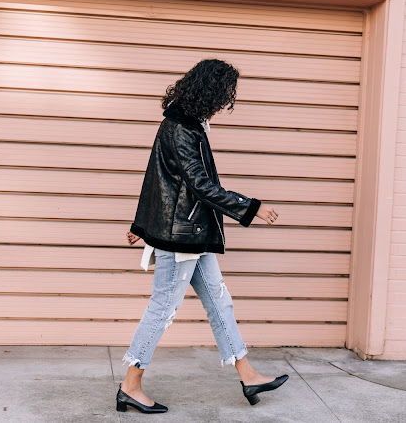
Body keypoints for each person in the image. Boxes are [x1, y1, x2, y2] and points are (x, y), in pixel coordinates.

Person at [117, 59, 288, 414]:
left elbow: (157, 180)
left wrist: (139, 224)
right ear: (209, 91)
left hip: (192, 233)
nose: (226, 101)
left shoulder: (188, 125)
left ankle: (248, 374)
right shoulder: (181, 128)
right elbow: (199, 185)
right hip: (182, 236)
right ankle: (130, 386)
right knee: (163, 307)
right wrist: (250, 206)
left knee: (219, 302)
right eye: (224, 93)